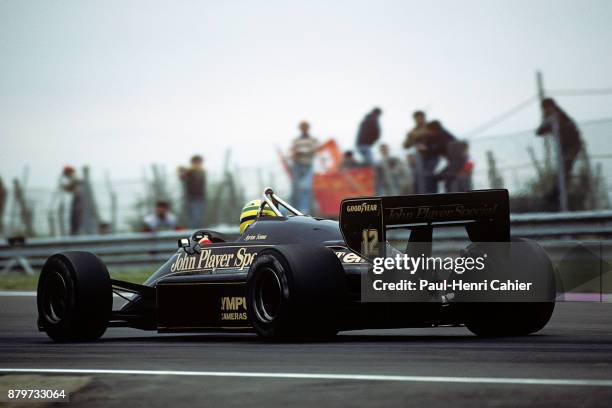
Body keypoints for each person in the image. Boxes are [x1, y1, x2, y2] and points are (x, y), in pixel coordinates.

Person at [536, 98, 583, 186]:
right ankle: (559, 191)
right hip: (565, 147)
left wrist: (549, 125)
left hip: (570, 146)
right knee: (563, 171)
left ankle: (560, 191)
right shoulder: (553, 118)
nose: (545, 110)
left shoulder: (558, 116)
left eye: (547, 108)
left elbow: (542, 130)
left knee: (565, 170)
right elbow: (540, 131)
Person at [289, 121, 319, 213]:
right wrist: (295, 153)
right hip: (297, 165)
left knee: (306, 188)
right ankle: (293, 209)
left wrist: (300, 152)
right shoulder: (296, 140)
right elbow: (293, 151)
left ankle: (303, 210)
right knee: (296, 188)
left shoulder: (313, 139)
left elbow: (314, 150)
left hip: (307, 165)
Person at [403, 111, 429, 193]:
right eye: (416, 118)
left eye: (419, 118)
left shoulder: (429, 127)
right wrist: (409, 137)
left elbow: (424, 133)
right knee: (416, 180)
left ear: (423, 118)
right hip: (418, 158)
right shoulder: (413, 130)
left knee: (426, 180)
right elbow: (406, 145)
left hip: (431, 157)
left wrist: (413, 134)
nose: (418, 120)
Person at [179, 155, 207, 228]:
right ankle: (191, 232)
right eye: (196, 162)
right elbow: (181, 177)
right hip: (189, 198)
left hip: (199, 198)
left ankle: (196, 232)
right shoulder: (189, 171)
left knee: (197, 217)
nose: (198, 164)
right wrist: (184, 171)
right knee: (190, 218)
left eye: (199, 162)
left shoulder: (201, 172)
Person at [60, 166, 84, 235]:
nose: (65, 175)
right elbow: (71, 188)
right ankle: (74, 232)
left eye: (65, 173)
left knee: (76, 218)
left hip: (78, 200)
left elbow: (71, 186)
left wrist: (63, 187)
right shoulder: (75, 178)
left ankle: (75, 233)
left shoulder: (74, 177)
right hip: (77, 199)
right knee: (74, 218)